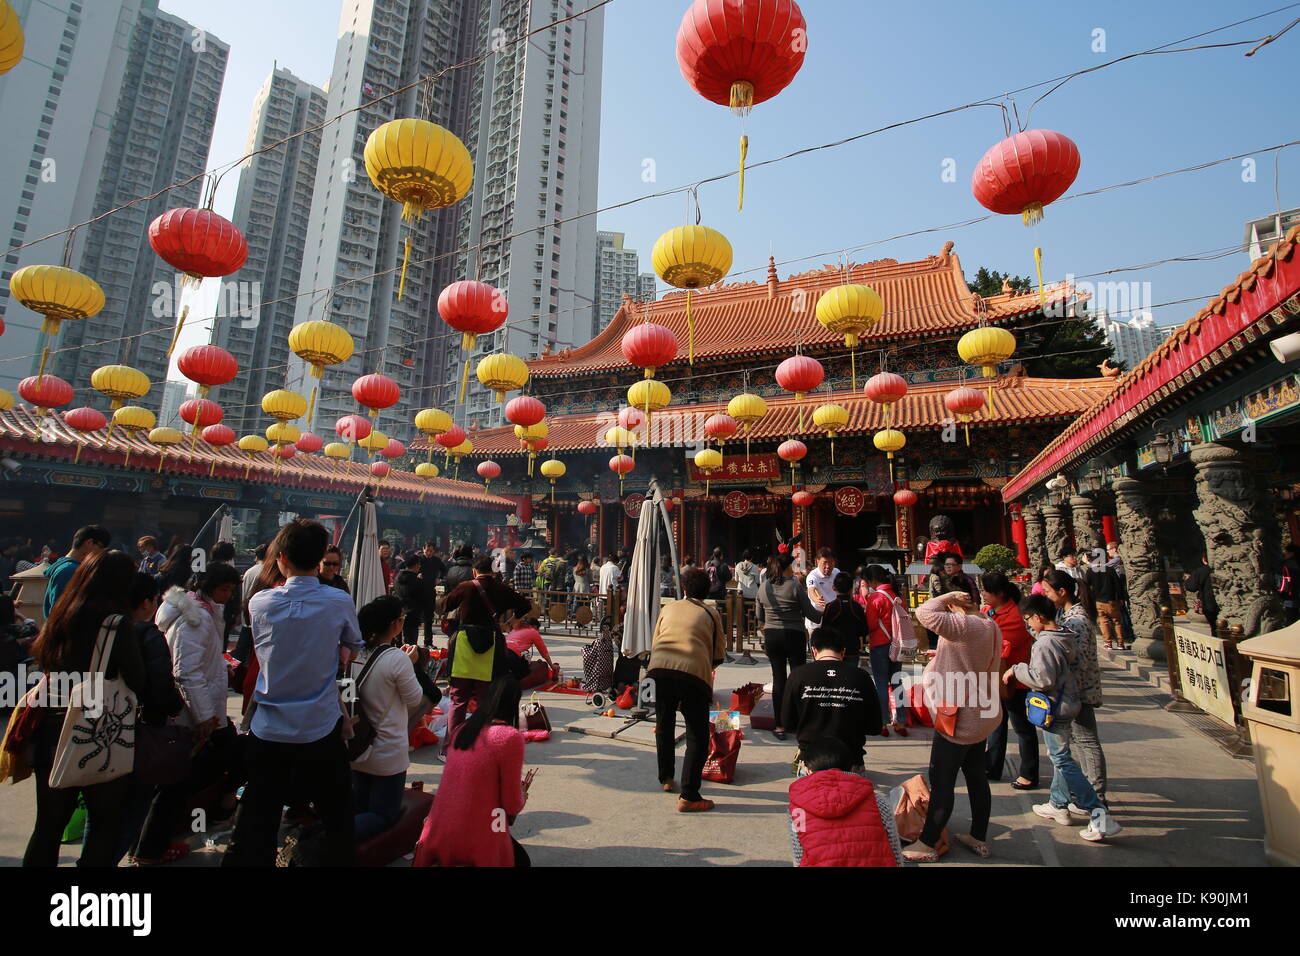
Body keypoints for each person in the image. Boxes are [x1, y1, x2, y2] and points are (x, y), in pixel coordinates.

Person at [223, 520, 364, 867]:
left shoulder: (260, 603)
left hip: (269, 726)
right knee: (336, 815)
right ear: (319, 560)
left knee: (258, 816)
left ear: (281, 558)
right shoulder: (338, 601)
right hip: (320, 724)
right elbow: (354, 645)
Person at [23, 551, 145, 867]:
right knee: (105, 819)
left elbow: (43, 659)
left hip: (52, 723)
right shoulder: (116, 624)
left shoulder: (62, 613)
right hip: (96, 725)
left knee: (49, 823)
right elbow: (137, 679)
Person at [133, 562, 245, 865]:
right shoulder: (196, 620)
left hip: (198, 710)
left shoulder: (201, 613)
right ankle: (149, 848)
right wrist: (205, 717)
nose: (228, 595)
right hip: (192, 713)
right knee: (176, 781)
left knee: (177, 780)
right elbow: (186, 672)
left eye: (231, 589)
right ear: (208, 588)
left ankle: (153, 842)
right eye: (224, 589)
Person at [1013, 594, 1121, 842]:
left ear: (1038, 617)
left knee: (1062, 760)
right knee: (1062, 757)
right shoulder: (1064, 633)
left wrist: (1017, 670)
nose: (1028, 625)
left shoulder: (1044, 643)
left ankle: (1099, 815)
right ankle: (1058, 803)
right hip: (1071, 701)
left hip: (1054, 707)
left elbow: (1042, 679)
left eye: (1029, 620)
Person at [905, 587, 1002, 862]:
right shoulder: (988, 623)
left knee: (942, 781)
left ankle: (927, 842)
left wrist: (947, 597)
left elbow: (924, 612)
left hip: (958, 717)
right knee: (976, 776)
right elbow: (969, 657)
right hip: (982, 712)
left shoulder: (963, 624)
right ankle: (978, 836)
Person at [413, 676, 533, 866]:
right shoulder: (509, 737)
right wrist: (522, 797)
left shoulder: (463, 729)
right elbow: (511, 805)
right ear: (513, 703)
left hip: (439, 827)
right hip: (476, 834)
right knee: (520, 859)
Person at [115, 572, 184, 863]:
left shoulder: (99, 629)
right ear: (146, 602)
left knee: (106, 810)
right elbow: (159, 686)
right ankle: (133, 851)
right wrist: (175, 707)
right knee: (134, 806)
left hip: (102, 728)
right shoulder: (146, 634)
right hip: (141, 730)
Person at [647, 568, 728, 811]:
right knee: (697, 734)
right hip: (693, 674)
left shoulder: (668, 608)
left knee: (664, 724)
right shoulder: (711, 613)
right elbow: (718, 653)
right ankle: (689, 795)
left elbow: (656, 641)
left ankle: (666, 778)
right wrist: (703, 670)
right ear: (707, 590)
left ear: (684, 589)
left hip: (659, 670)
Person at [350, 596, 426, 842]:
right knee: (383, 814)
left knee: (359, 804)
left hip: (356, 742)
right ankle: (330, 837)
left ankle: (334, 833)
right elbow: (415, 699)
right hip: (386, 749)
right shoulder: (396, 658)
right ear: (395, 624)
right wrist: (412, 664)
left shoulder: (352, 654)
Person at [441, 555, 532, 737]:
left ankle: (451, 746)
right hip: (491, 643)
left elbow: (445, 605)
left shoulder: (466, 586)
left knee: (459, 699)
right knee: (486, 699)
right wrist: (511, 621)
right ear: (493, 571)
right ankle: (481, 744)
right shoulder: (501, 588)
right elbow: (525, 605)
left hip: (465, 643)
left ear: (475, 571)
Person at [787, 737, 904, 867]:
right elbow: (894, 847)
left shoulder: (798, 808)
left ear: (808, 770)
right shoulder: (877, 802)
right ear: (852, 768)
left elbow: (799, 853)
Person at [1041, 570, 1107, 799]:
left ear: (1062, 591)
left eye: (1048, 591)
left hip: (1079, 689)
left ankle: (1097, 797)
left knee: (1087, 742)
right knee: (1078, 743)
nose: (1046, 596)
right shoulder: (1065, 615)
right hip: (1071, 690)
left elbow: (1075, 659)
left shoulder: (1076, 620)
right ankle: (1082, 793)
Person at [781, 626, 880, 767]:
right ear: (843, 651)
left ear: (814, 650)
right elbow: (874, 727)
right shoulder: (861, 677)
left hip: (811, 761)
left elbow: (787, 721)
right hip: (851, 760)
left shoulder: (799, 675)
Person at [979, 572, 1038, 789]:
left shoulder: (1016, 616)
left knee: (1022, 727)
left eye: (986, 591)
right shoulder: (990, 611)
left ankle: (1029, 773)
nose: (983, 594)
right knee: (995, 724)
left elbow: (998, 644)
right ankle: (993, 765)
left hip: (1016, 679)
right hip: (995, 677)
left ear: (1000, 593)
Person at [756, 553, 822, 741]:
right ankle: (798, 720)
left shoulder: (764, 587)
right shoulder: (794, 586)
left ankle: (779, 725)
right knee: (797, 678)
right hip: (793, 635)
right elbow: (810, 613)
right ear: (788, 568)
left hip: (772, 636)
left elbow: (759, 616)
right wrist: (824, 611)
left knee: (779, 680)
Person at [862, 565, 908, 736]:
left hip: (880, 643)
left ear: (872, 580)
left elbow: (872, 625)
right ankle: (901, 721)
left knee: (881, 683)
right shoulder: (898, 596)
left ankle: (882, 722)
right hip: (898, 643)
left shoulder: (875, 598)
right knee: (897, 682)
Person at [43, 525, 111, 617]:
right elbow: (60, 613)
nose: (101, 554)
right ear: (89, 543)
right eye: (101, 548)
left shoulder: (64, 566)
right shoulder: (70, 570)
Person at [818, 571, 868, 667]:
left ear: (834, 588)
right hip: (852, 649)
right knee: (850, 678)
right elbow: (864, 630)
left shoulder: (830, 606)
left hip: (834, 649)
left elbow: (824, 629)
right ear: (851, 589)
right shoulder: (857, 607)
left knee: (835, 678)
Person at [1084, 549, 1125, 650]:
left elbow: (1086, 586)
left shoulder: (1090, 571)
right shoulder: (1110, 570)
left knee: (1103, 621)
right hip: (1111, 600)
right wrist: (1121, 598)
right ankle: (1120, 643)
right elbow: (1118, 585)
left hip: (1098, 600)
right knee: (1117, 621)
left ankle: (1108, 642)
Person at [805, 548, 840, 632]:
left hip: (833, 617)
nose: (828, 566)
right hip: (817, 620)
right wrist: (816, 599)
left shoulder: (837, 572)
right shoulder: (812, 576)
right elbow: (811, 589)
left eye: (830, 563)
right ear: (817, 561)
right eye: (824, 563)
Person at [417, 541, 445, 644]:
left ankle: (428, 641)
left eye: (431, 551)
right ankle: (412, 642)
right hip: (418, 591)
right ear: (423, 549)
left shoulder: (436, 560)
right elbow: (404, 567)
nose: (429, 552)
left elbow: (444, 570)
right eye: (427, 550)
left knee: (429, 617)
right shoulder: (418, 559)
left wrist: (439, 578)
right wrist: (417, 573)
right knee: (417, 617)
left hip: (430, 590)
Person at [393, 555, 425, 645]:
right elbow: (422, 596)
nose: (420, 566)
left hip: (399, 611)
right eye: (419, 564)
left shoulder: (397, 578)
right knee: (410, 643)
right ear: (415, 565)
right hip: (413, 613)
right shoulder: (417, 581)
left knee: (398, 640)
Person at [1184, 553, 1218, 635]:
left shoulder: (1202, 570)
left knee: (1216, 629)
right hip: (1225, 603)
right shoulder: (1221, 568)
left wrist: (1188, 579)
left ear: (1204, 559)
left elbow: (1191, 586)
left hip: (1210, 605)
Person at [1281, 543, 1300, 626]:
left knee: (1291, 619)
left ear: (1292, 553)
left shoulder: (1287, 564)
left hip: (1290, 595)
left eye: (1286, 552)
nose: (1284, 554)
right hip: (1296, 593)